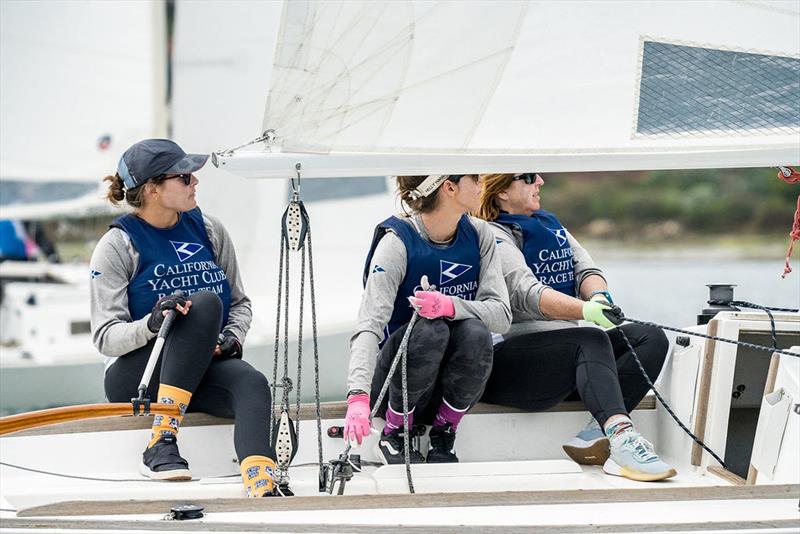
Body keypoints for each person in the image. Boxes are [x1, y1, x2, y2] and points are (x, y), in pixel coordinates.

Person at [89, 139, 280, 497]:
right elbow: (105, 336)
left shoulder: (209, 229)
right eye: (185, 177)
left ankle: (262, 484)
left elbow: (239, 304)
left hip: (198, 367)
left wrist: (233, 338)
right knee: (204, 305)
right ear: (153, 189)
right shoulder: (117, 246)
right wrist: (151, 323)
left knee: (252, 382)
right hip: (138, 379)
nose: (195, 183)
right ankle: (160, 440)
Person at [477, 172, 675, 482]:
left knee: (649, 336)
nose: (540, 181)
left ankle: (596, 434)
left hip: (566, 357)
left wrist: (598, 298)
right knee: (590, 338)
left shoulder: (551, 227)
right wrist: (585, 311)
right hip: (513, 367)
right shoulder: (492, 236)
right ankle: (623, 439)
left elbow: (586, 269)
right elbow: (527, 291)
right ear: (501, 192)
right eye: (528, 178)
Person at [344, 174, 511, 464]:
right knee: (432, 329)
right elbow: (369, 325)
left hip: (448, 388)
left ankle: (444, 432)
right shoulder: (396, 243)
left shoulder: (480, 234)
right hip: (396, 387)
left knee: (475, 331)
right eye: (476, 179)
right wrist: (357, 396)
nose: (483, 185)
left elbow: (501, 316)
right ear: (449, 187)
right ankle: (395, 433)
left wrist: (450, 305)